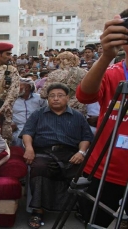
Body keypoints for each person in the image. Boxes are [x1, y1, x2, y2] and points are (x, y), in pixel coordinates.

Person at [75, 10, 128, 228]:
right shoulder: (112, 72)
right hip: (105, 169)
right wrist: (106, 55)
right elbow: (84, 95)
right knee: (96, 223)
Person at [20, 83, 93, 229]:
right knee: (39, 167)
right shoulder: (38, 114)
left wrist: (81, 152)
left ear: (68, 98)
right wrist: (29, 148)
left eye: (60, 95)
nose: (55, 99)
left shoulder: (78, 116)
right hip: (44, 152)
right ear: (47, 98)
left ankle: (81, 210)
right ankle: (37, 211)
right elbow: (27, 132)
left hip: (70, 153)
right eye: (52, 96)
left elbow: (87, 137)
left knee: (84, 172)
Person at [11, 78, 47, 147]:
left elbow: (46, 113)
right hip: (18, 128)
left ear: (27, 87)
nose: (16, 88)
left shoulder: (40, 99)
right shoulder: (12, 100)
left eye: (18, 86)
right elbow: (7, 115)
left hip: (37, 128)